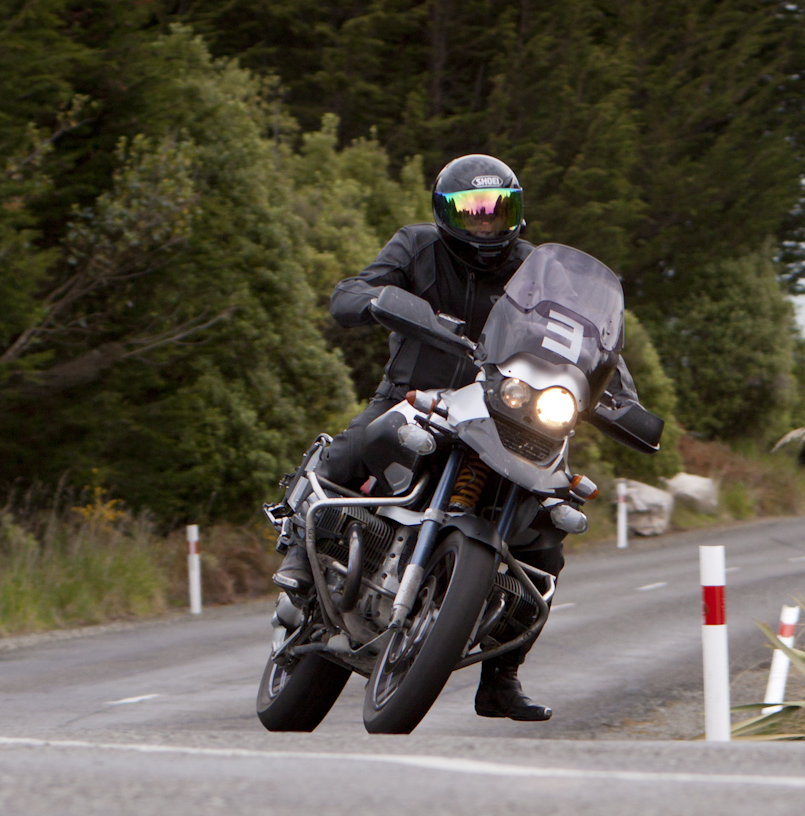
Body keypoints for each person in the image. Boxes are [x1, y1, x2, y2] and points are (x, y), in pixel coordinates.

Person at [272, 154, 647, 722]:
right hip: (416, 393)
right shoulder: (416, 246)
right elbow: (354, 289)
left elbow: (592, 340)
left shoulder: (541, 272)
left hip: (510, 414)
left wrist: (621, 395)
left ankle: (500, 680)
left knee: (545, 537)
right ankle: (302, 556)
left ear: (516, 213)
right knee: (352, 451)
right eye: (472, 212)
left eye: (497, 211)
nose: (485, 224)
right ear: (445, 213)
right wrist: (374, 300)